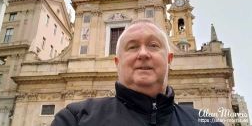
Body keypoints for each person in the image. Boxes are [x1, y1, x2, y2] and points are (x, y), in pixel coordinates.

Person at [51, 19, 223, 126]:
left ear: (170, 59)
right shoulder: (74, 119)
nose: (143, 53)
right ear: (117, 62)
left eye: (153, 45)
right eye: (132, 47)